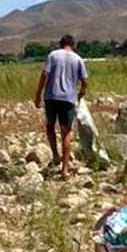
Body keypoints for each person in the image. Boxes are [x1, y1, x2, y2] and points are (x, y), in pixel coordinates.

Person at [34, 35, 89, 179]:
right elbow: (85, 81)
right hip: (68, 99)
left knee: (50, 126)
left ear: (61, 44)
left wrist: (38, 93)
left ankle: (55, 155)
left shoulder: (53, 55)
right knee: (66, 133)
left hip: (51, 97)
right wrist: (81, 93)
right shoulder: (78, 59)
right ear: (73, 45)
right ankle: (65, 170)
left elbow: (45, 74)